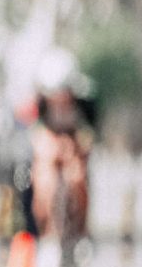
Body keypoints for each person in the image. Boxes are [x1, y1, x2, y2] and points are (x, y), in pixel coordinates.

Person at [29, 47, 96, 245]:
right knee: (45, 181)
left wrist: (82, 144)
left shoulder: (84, 102)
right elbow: (36, 130)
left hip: (73, 141)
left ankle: (81, 229)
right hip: (50, 141)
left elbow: (89, 131)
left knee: (77, 178)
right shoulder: (41, 102)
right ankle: (47, 229)